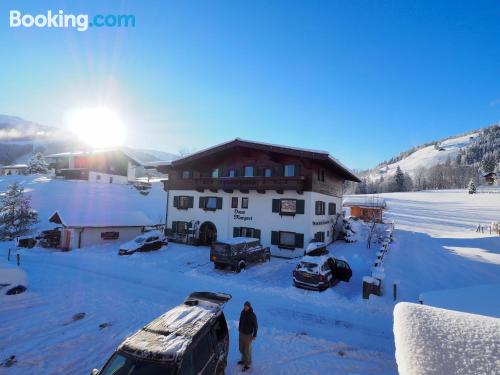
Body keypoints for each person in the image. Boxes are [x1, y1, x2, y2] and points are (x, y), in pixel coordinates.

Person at [238, 301, 258, 371]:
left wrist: (254, 335)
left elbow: (255, 326)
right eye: (244, 306)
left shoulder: (252, 315)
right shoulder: (242, 312)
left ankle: (248, 364)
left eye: (246, 306)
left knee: (247, 350)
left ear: (249, 307)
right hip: (241, 333)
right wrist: (239, 329)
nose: (245, 307)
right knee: (241, 348)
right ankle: (243, 360)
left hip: (248, 335)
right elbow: (240, 320)